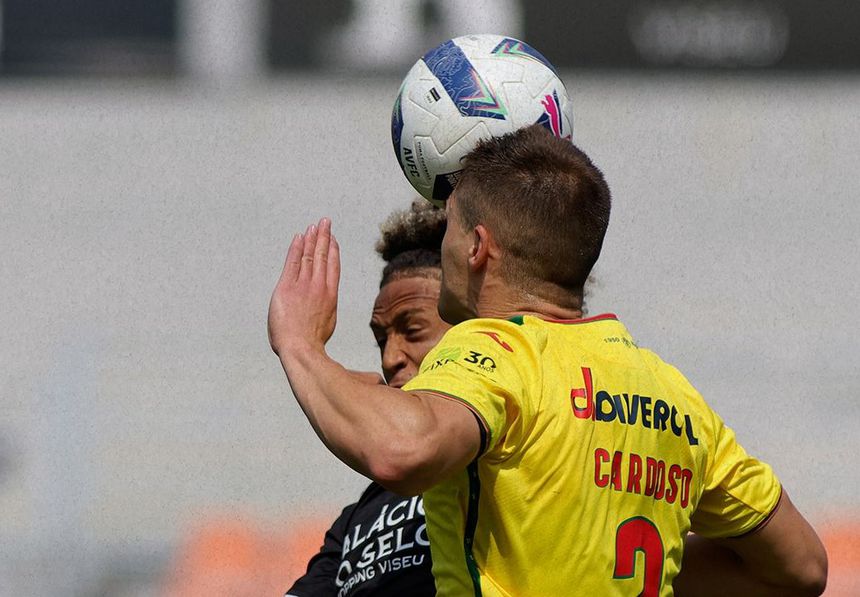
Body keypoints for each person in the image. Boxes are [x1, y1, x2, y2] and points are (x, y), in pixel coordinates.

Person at [268, 125, 827, 596]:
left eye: (452, 225)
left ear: (477, 247)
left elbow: (403, 450)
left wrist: (300, 345)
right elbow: (803, 566)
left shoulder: (497, 350)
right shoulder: (675, 397)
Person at [286, 200, 449, 597]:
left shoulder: (510, 459)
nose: (390, 358)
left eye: (412, 330)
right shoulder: (360, 515)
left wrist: (299, 346)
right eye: (381, 339)